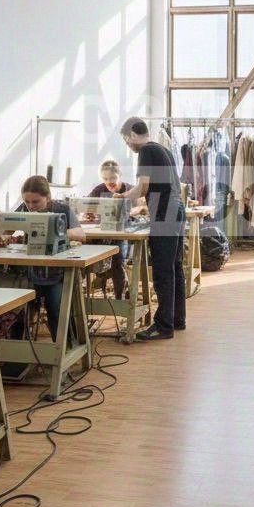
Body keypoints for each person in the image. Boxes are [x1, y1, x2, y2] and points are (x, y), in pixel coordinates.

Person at [118, 118, 185, 341]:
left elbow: (143, 187)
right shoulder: (163, 149)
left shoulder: (146, 151)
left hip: (165, 212)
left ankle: (163, 327)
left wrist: (121, 197)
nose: (128, 145)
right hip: (176, 209)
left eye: (126, 140)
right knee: (174, 268)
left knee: (162, 271)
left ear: (132, 134)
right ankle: (177, 320)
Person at [16, 175, 86, 343]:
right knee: (15, 308)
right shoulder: (23, 209)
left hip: (58, 274)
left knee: (57, 308)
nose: (31, 206)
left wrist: (54, 232)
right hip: (30, 273)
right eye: (27, 201)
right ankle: (15, 352)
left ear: (48, 197)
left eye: (36, 201)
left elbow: (80, 234)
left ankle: (64, 348)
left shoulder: (62, 210)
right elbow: (4, 231)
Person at [84, 159, 135, 301]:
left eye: (113, 178)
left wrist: (131, 212)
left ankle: (119, 299)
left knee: (117, 262)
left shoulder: (130, 190)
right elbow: (87, 207)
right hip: (103, 232)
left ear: (120, 175)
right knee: (85, 256)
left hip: (123, 233)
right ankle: (82, 299)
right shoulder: (99, 190)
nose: (109, 182)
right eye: (105, 179)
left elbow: (141, 208)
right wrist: (90, 213)